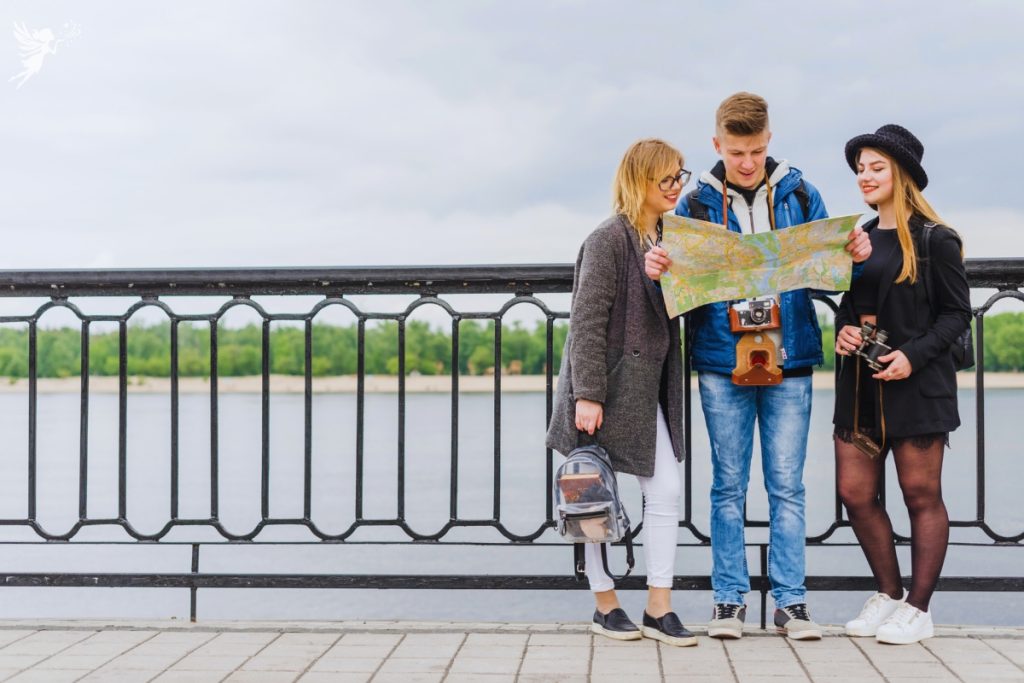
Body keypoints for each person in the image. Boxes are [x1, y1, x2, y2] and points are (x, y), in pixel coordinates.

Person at [644, 92, 871, 640]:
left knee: (788, 485)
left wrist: (853, 254)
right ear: (717, 144)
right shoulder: (693, 203)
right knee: (727, 485)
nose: (746, 162)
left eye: (756, 150)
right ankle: (729, 603)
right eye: (736, 151)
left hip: (791, 358)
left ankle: (792, 606)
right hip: (722, 360)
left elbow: (827, 273)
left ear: (770, 141)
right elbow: (680, 281)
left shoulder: (801, 192)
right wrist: (657, 264)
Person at [546, 138, 696, 647]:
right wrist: (587, 393)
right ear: (641, 182)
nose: (677, 187)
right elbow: (585, 323)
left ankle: (660, 605)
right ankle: (604, 602)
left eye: (681, 176)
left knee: (666, 489)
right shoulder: (608, 239)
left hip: (650, 386)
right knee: (590, 492)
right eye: (667, 179)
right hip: (605, 387)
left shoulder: (672, 238)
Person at [833, 124, 971, 645]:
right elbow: (851, 303)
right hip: (861, 387)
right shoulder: (859, 238)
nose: (865, 176)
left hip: (917, 384)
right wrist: (844, 329)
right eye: (861, 168)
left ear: (903, 175)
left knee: (920, 494)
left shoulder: (937, 239)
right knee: (855, 492)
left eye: (876, 167)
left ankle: (919, 607)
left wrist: (911, 358)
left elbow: (958, 315)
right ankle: (889, 595)